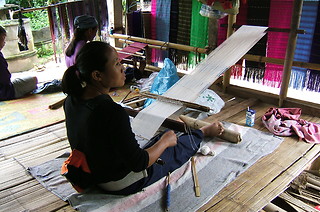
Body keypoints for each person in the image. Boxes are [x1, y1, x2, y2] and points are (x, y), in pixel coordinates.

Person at [61, 41, 224, 195]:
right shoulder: (111, 111)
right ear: (97, 75)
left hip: (93, 172)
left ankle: (170, 136)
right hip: (118, 183)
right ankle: (203, 132)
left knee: (160, 138)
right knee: (173, 149)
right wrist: (165, 142)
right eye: (117, 63)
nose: (122, 68)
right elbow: (139, 163)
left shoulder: (71, 100)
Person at [0, 26, 37, 101]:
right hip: (5, 92)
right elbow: (6, 78)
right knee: (34, 80)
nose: (4, 43)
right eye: (2, 39)